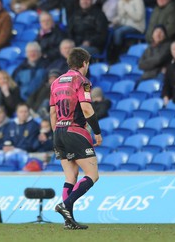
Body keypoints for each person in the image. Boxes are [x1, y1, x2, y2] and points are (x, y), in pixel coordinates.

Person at [51, 47, 102, 230]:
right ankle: (65, 206)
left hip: (58, 132)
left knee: (70, 176)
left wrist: (58, 134)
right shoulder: (82, 81)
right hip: (75, 131)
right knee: (92, 174)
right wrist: (97, 131)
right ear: (84, 63)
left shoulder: (56, 82)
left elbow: (52, 113)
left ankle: (68, 221)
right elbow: (87, 109)